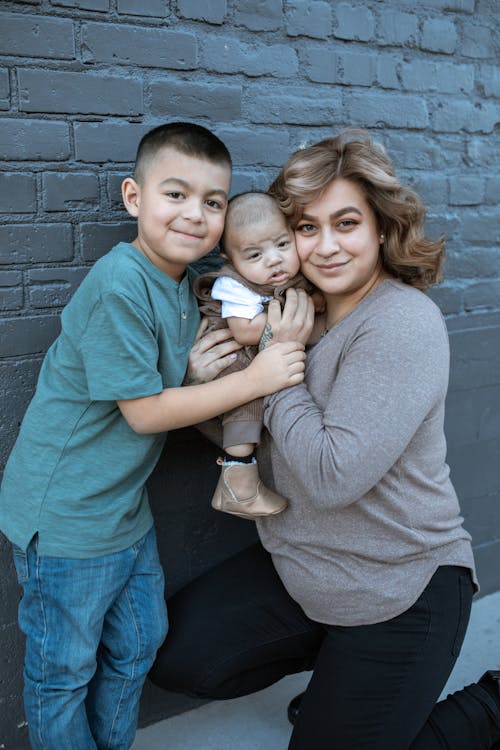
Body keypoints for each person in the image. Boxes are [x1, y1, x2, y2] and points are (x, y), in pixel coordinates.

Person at [149, 128, 500, 749]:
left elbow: (332, 475)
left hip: (400, 588)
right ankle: (345, 683)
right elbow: (254, 435)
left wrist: (273, 361)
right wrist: (210, 386)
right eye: (308, 228)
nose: (328, 246)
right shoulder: (294, 308)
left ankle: (490, 706)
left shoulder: (400, 324)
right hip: (305, 566)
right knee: (181, 655)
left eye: (347, 223)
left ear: (381, 228)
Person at [0, 122, 307, 750]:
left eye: (213, 202)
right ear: (134, 198)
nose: (195, 214)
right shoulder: (120, 285)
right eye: (176, 194)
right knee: (64, 673)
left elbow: (172, 389)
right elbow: (143, 413)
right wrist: (261, 378)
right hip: (67, 519)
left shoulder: (182, 287)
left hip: (123, 511)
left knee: (137, 646)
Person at [193, 191, 319, 520]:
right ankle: (238, 483)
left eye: (281, 245)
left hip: (261, 353)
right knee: (247, 403)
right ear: (231, 259)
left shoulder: (293, 275)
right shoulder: (233, 285)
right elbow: (245, 331)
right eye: (254, 255)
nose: (274, 260)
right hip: (234, 355)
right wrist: (289, 324)